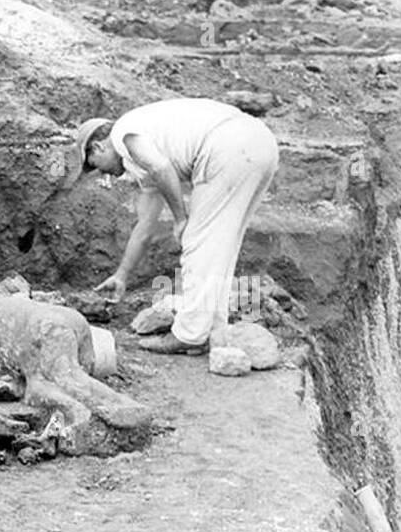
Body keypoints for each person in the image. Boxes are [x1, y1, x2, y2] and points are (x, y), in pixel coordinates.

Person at [74, 97, 279, 355]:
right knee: (220, 245)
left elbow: (162, 168)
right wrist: (122, 275)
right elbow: (145, 226)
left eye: (95, 166)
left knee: (197, 242)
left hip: (227, 146)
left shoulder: (124, 136)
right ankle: (212, 329)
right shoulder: (143, 152)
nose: (104, 175)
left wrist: (181, 219)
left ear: (97, 147)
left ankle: (189, 335)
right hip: (259, 143)